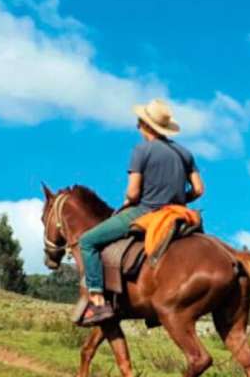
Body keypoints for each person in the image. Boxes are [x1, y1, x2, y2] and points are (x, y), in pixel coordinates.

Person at [77, 99, 204, 325]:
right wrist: (179, 198)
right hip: (178, 214)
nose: (137, 126)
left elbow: (134, 193)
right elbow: (199, 189)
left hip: (146, 212)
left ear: (146, 126)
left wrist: (129, 200)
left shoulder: (141, 150)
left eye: (139, 122)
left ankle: (98, 301)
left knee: (87, 241)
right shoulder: (185, 153)